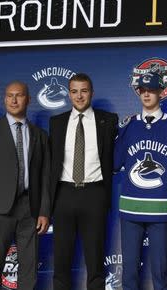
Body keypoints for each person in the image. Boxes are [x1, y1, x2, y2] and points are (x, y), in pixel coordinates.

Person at [0, 81, 50, 290]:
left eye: (19, 95)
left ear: (28, 99)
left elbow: (45, 177)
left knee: (29, 269)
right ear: (4, 99)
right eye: (9, 95)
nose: (14, 100)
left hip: (30, 209)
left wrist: (43, 211)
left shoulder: (40, 135)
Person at [49, 73, 118, 290]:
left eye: (84, 91)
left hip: (94, 194)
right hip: (64, 194)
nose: (79, 96)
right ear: (69, 94)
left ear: (92, 93)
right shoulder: (57, 122)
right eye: (75, 91)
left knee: (95, 260)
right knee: (61, 260)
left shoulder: (108, 120)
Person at [114, 72, 167, 290]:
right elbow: (115, 163)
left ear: (161, 92)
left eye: (151, 90)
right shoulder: (128, 126)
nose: (146, 94)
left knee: (160, 271)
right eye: (142, 90)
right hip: (131, 207)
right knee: (130, 271)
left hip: (161, 208)